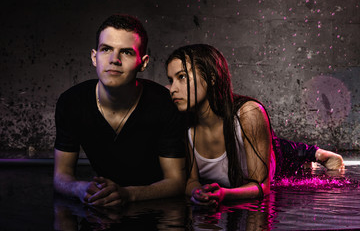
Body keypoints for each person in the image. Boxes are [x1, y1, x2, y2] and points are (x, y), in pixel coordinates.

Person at [165, 44, 344, 206]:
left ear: (211, 78)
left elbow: (262, 186)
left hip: (277, 157)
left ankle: (319, 154)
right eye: (171, 79)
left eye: (181, 77)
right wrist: (197, 191)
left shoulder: (249, 113)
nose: (172, 88)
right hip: (246, 146)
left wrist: (225, 195)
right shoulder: (184, 123)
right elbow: (190, 181)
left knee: (285, 152)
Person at [53, 14, 186, 208]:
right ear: (94, 57)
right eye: (106, 49)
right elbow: (61, 176)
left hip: (153, 208)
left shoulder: (163, 103)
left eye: (127, 52)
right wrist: (79, 188)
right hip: (100, 203)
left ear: (144, 62)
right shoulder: (71, 102)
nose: (114, 59)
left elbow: (176, 182)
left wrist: (127, 194)